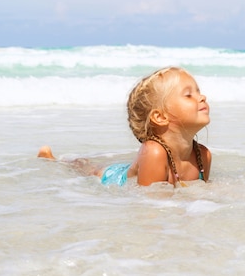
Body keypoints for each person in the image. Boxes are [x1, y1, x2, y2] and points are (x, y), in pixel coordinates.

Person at [38, 67, 212, 187]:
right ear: (160, 117)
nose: (202, 96)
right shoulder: (154, 152)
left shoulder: (203, 155)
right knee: (88, 169)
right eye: (188, 95)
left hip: (136, 168)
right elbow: (150, 208)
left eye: (198, 91)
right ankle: (53, 160)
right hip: (114, 177)